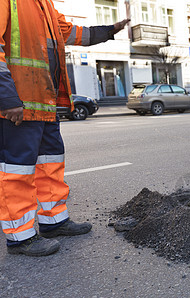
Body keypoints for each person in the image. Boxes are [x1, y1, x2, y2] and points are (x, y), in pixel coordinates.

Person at [0, 0, 130, 256]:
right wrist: (6, 97)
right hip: (19, 105)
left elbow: (72, 32)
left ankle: (54, 221)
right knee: (17, 171)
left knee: (50, 165)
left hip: (45, 105)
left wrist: (109, 30)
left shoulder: (44, 5)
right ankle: (19, 236)